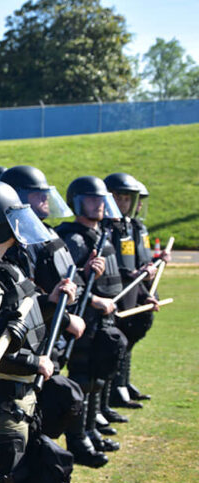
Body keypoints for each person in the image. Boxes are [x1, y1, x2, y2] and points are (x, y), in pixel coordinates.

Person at [0, 180, 76, 483]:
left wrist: (49, 306)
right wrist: (35, 362)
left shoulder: (1, 269)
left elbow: (13, 324)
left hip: (17, 405)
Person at [0, 165, 89, 441]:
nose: (45, 200)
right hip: (27, 342)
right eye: (38, 195)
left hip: (49, 332)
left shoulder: (42, 234)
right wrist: (60, 315)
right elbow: (21, 298)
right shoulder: (16, 244)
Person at [55, 176, 128, 467]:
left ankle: (91, 430)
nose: (99, 205)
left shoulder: (103, 235)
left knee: (97, 378)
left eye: (101, 199)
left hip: (103, 322)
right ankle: (78, 439)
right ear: (76, 202)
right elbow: (68, 281)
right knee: (82, 380)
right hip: (83, 320)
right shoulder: (72, 238)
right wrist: (93, 292)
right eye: (92, 199)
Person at [102, 173, 160, 411]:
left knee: (131, 338)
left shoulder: (132, 226)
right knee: (116, 342)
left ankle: (123, 383)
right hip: (116, 292)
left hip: (134, 290)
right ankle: (114, 390)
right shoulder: (108, 228)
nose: (126, 204)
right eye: (120, 198)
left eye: (129, 199)